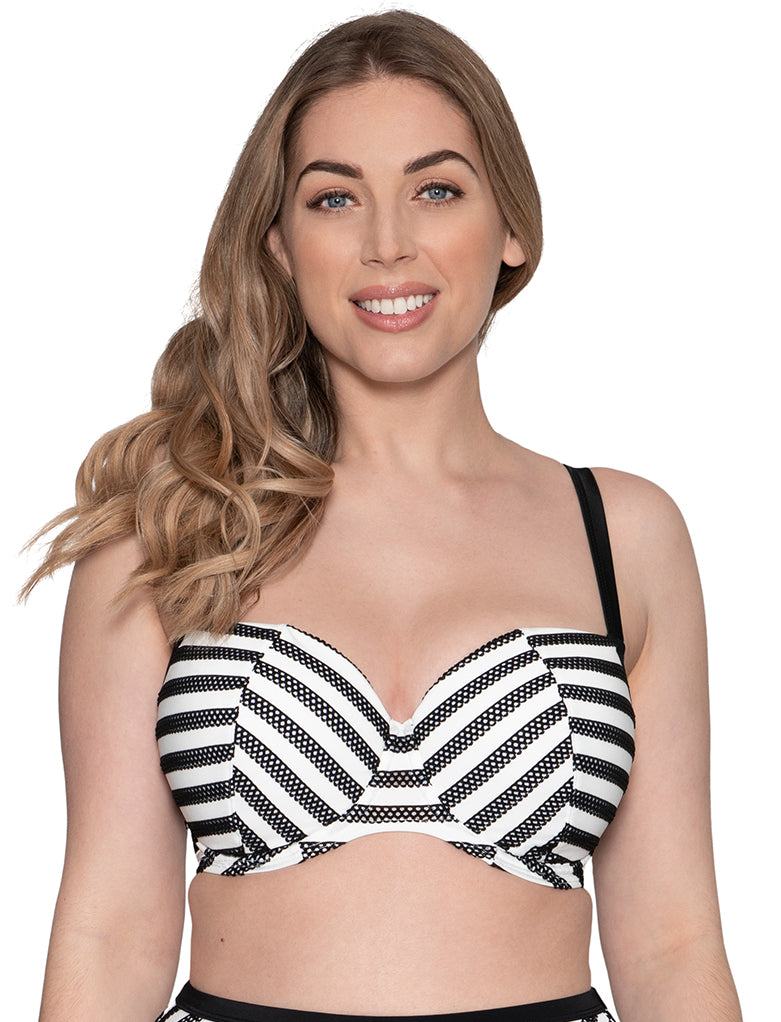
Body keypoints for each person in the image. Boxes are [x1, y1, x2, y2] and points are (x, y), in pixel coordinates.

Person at [28, 10, 742, 1022]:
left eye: (435, 189)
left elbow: (671, 946)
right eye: (335, 198)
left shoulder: (623, 534)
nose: (387, 244)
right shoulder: (172, 527)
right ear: (280, 246)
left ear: (512, 227)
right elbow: (108, 939)